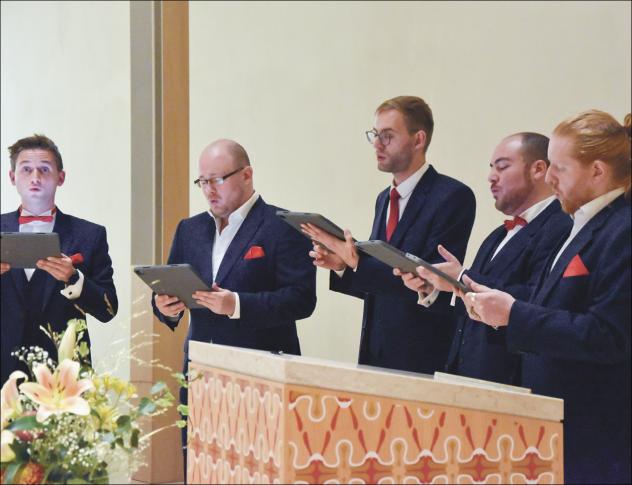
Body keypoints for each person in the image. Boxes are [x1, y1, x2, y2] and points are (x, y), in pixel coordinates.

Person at [462, 111, 631, 484]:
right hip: (553, 422)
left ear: (598, 172)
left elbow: (610, 335)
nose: (549, 178)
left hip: (595, 431)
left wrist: (515, 314)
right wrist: (500, 310)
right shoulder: (580, 224)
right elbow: (549, 305)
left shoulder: (622, 229)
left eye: (560, 168)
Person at [152, 139, 317, 476]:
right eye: (202, 182)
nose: (208, 190)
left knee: (259, 469)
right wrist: (165, 307)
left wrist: (237, 304)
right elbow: (172, 290)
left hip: (262, 373)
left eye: (217, 180)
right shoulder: (190, 229)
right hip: (200, 370)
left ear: (247, 175)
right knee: (200, 467)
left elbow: (302, 299)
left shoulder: (283, 225)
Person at [303, 96, 475, 374]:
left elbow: (428, 280)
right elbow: (380, 280)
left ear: (418, 139)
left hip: (422, 353)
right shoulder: (384, 198)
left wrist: (355, 261)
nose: (377, 144)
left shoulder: (452, 196)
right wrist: (343, 266)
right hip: (375, 349)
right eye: (374, 134)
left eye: (387, 136)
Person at [396, 132, 572, 384]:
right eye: (491, 168)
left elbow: (539, 299)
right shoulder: (497, 235)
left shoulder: (561, 226)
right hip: (468, 376)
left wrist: (462, 278)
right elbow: (472, 304)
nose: (491, 177)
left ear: (539, 169)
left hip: (513, 381)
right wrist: (436, 286)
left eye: (502, 167)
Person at [1, 134, 118, 384]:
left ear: (60, 177)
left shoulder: (90, 235)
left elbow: (109, 309)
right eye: (26, 169)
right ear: (13, 177)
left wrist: (73, 279)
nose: (35, 177)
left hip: (64, 373)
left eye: (44, 169)